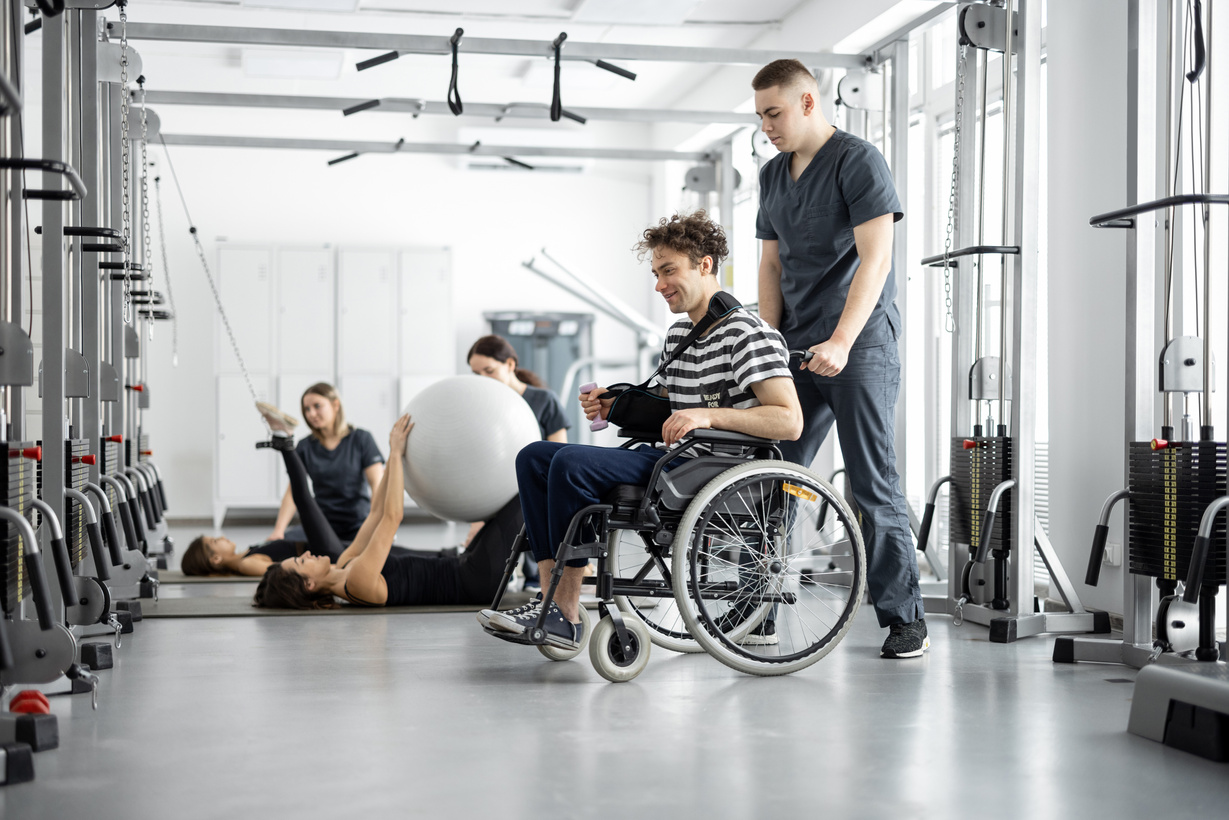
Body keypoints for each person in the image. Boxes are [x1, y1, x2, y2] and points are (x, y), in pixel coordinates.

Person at [479, 211, 801, 651]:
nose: (659, 284)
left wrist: (710, 417)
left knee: (571, 463)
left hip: (721, 468)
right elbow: (667, 410)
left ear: (705, 265)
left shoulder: (747, 333)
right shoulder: (679, 336)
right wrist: (618, 406)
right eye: (656, 273)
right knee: (535, 456)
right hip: (680, 461)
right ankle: (550, 599)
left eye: (669, 270)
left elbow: (788, 419)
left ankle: (565, 611)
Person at [752, 58, 926, 659]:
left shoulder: (858, 161)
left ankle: (903, 620)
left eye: (774, 113)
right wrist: (766, 346)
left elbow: (875, 260)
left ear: (806, 103)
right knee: (770, 475)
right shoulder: (773, 176)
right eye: (760, 116)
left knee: (871, 484)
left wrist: (843, 342)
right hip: (796, 347)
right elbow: (771, 266)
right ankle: (763, 604)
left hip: (859, 345)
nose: (767, 126)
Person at [248, 414, 523, 609]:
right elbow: (393, 519)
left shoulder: (344, 565)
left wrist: (395, 458)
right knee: (526, 500)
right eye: (300, 562)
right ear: (308, 585)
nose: (305, 554)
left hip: (468, 564)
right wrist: (394, 454)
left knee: (527, 514)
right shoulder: (355, 584)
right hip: (475, 580)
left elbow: (376, 513)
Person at [267, 383, 385, 544]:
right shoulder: (304, 446)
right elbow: (292, 493)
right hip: (320, 525)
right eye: (306, 409)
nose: (311, 414)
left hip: (358, 524)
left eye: (317, 406)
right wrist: (278, 531)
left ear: (335, 405)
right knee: (278, 546)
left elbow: (377, 485)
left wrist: (379, 526)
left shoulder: (362, 439)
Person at [468, 335, 569, 443]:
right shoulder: (480, 406)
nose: (484, 379)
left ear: (510, 364)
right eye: (477, 374)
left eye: (489, 371)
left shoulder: (545, 401)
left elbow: (559, 452)